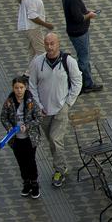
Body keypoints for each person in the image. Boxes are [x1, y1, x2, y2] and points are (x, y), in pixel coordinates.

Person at [28, 32, 82, 187]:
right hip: (44, 111)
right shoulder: (38, 62)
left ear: (58, 44)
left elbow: (78, 81)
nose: (50, 47)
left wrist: (68, 103)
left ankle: (59, 170)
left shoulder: (68, 62)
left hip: (60, 110)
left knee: (55, 140)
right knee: (52, 141)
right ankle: (62, 166)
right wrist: (38, 105)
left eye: (52, 43)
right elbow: (32, 85)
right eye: (47, 44)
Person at [0, 74, 43, 199]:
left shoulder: (31, 101)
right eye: (16, 88)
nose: (19, 90)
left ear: (25, 88)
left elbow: (39, 118)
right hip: (16, 139)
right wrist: (9, 128)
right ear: (13, 88)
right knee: (21, 162)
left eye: (21, 87)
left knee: (30, 161)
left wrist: (28, 126)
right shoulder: (9, 102)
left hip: (30, 139)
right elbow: (3, 117)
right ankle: (26, 183)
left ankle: (35, 184)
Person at [61, 0, 101, 93]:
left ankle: (82, 82)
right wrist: (89, 15)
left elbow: (76, 13)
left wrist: (87, 12)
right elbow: (78, 18)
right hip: (79, 32)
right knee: (84, 59)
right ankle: (85, 84)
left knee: (83, 57)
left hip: (75, 31)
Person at [16, 0, 53, 65]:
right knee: (42, 52)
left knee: (33, 53)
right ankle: (47, 72)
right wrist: (46, 24)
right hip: (32, 28)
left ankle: (28, 74)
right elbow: (32, 16)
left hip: (29, 28)